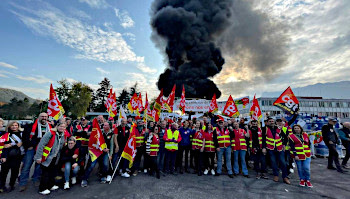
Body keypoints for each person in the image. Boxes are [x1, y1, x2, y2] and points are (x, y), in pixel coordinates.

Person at [19, 113, 50, 192]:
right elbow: (25, 137)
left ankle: (35, 179)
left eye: (45, 116)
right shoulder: (30, 126)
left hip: (42, 149)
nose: (44, 118)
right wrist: (29, 146)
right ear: (38, 117)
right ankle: (22, 183)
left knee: (38, 166)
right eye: (42, 116)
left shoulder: (50, 127)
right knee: (27, 166)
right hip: (31, 149)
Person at [34, 122, 66, 195]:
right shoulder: (50, 134)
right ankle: (42, 188)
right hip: (46, 157)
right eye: (61, 126)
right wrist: (38, 157)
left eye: (64, 127)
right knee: (45, 173)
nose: (62, 128)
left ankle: (50, 185)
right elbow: (41, 145)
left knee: (52, 172)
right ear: (57, 126)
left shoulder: (63, 135)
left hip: (55, 157)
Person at [81, 122, 110, 187]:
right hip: (94, 152)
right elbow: (86, 135)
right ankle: (85, 179)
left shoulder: (104, 133)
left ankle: (103, 176)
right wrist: (89, 133)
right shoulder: (92, 130)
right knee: (91, 165)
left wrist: (105, 149)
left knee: (104, 164)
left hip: (102, 152)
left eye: (103, 125)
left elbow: (105, 143)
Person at [262, 118, 290, 184]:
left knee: (283, 162)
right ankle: (276, 175)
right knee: (273, 162)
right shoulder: (265, 129)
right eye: (270, 121)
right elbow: (263, 139)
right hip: (270, 148)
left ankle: (285, 177)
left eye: (272, 121)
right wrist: (264, 148)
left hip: (279, 148)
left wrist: (284, 145)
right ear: (267, 122)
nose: (271, 122)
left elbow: (285, 137)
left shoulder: (278, 128)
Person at [0, 121, 24, 192]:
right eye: (12, 125)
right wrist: (3, 156)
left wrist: (21, 143)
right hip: (7, 156)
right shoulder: (5, 134)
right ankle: (1, 186)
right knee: (3, 173)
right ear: (9, 126)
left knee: (15, 172)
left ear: (18, 126)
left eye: (16, 125)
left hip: (18, 156)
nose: (14, 127)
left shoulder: (22, 134)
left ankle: (11, 185)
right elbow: (4, 146)